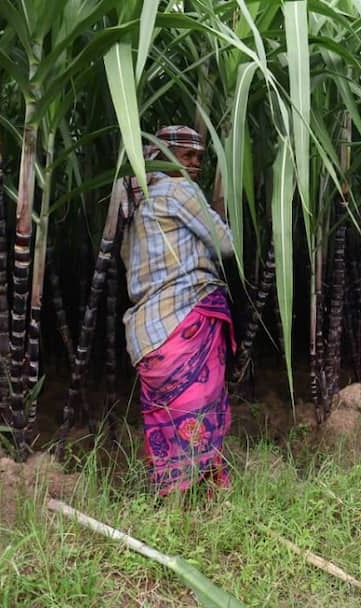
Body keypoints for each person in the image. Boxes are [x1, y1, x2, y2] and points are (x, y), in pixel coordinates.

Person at [121, 125, 236, 496]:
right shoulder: (179, 190)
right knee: (198, 408)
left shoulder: (136, 203)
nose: (195, 165)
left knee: (167, 417)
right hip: (186, 316)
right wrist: (216, 212)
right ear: (166, 155)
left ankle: (171, 491)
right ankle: (198, 493)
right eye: (187, 156)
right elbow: (226, 245)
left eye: (200, 158)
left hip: (146, 333)